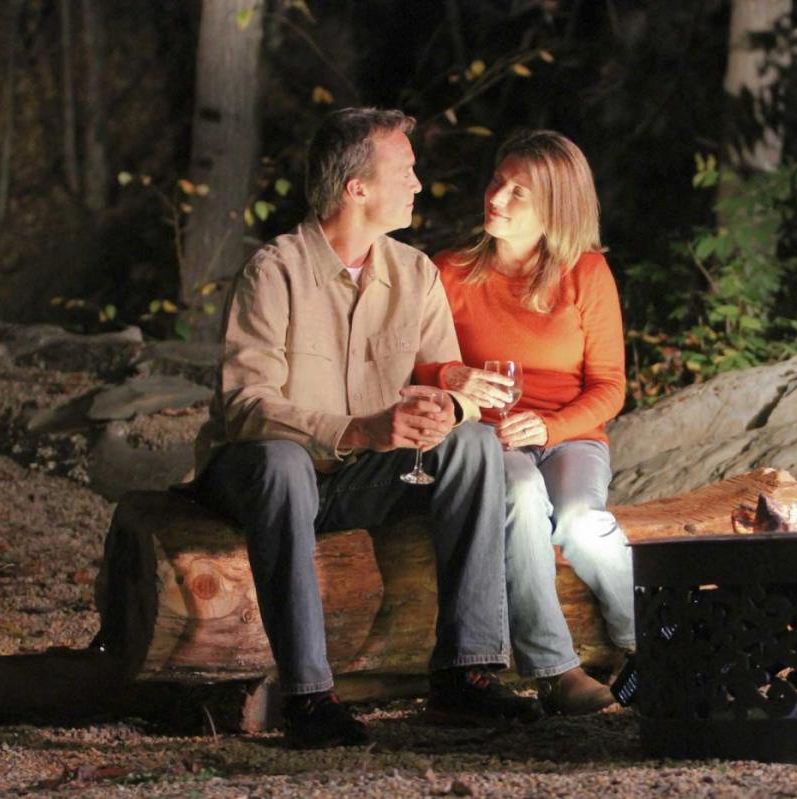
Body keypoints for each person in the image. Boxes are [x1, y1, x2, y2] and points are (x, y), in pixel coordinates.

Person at [189, 107, 543, 749]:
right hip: (262, 477)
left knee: (472, 446)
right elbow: (246, 404)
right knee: (283, 463)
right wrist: (359, 429)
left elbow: (445, 381)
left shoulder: (414, 274)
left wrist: (446, 411)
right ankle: (309, 697)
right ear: (357, 189)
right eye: (404, 171)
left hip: (362, 477)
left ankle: (466, 675)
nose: (417, 183)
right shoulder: (276, 271)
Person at [414, 130, 632, 716]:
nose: (497, 199)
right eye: (497, 182)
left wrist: (552, 428)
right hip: (486, 437)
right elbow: (412, 362)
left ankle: (650, 639)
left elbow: (611, 387)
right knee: (519, 491)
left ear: (556, 209)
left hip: (568, 433)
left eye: (519, 193)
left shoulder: (585, 274)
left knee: (584, 522)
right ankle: (556, 671)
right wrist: (450, 375)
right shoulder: (451, 272)